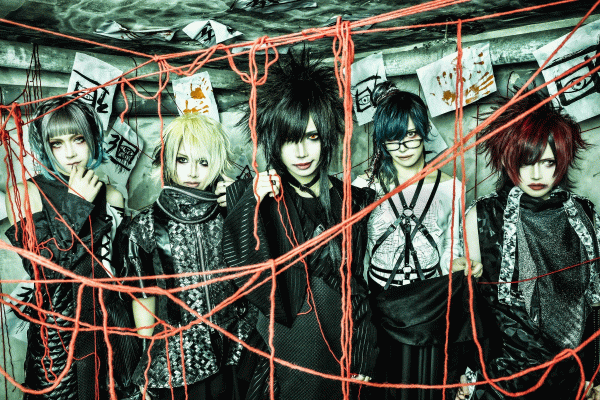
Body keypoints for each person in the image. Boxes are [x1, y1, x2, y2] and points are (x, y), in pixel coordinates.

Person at [221, 49, 378, 400]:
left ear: (327, 136)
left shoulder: (352, 200)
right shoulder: (255, 194)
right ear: (274, 141)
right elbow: (240, 272)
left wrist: (364, 349)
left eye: (312, 137)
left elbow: (357, 283)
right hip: (283, 347)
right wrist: (252, 203)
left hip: (338, 345)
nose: (302, 153)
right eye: (290, 140)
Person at [454, 91, 600, 400]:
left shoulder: (583, 215)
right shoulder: (482, 216)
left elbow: (594, 307)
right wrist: (467, 371)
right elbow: (470, 310)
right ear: (509, 160)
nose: (536, 174)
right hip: (503, 380)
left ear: (562, 160)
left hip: (571, 380)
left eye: (547, 162)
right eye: (526, 162)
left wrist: (595, 371)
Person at [352, 82, 482, 400]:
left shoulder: (451, 187)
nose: (404, 146)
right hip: (380, 307)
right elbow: (357, 254)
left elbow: (451, 245)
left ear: (424, 132)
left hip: (429, 308)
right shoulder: (363, 187)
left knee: (427, 388)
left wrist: (459, 264)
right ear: (382, 140)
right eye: (394, 137)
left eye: (412, 134)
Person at [5, 96, 137, 400]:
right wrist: (77, 203)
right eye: (57, 144)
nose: (70, 153)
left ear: (92, 138)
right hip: (59, 336)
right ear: (44, 147)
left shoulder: (112, 195)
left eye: (78, 139)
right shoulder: (25, 192)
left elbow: (123, 273)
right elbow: (43, 273)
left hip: (112, 329)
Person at [119, 113, 255, 400]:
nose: (192, 172)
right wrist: (146, 361)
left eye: (203, 162)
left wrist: (242, 201)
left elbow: (257, 272)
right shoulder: (146, 224)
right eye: (183, 160)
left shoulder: (229, 214)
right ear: (169, 161)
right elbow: (143, 296)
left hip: (236, 349)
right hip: (177, 358)